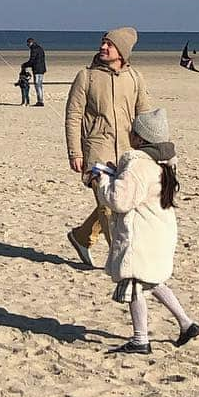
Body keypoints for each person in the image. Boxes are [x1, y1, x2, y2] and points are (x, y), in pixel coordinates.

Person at [90, 108, 199, 354]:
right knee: (154, 280)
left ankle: (140, 340)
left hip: (142, 234)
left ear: (141, 139)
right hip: (160, 230)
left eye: (134, 132)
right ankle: (187, 323)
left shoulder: (139, 164)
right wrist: (115, 174)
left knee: (136, 283)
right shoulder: (162, 162)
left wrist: (102, 180)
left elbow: (119, 200)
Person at [65, 27, 152, 268]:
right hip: (96, 150)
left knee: (121, 202)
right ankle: (121, 258)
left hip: (126, 151)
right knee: (107, 206)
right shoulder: (86, 76)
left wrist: (147, 151)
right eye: (103, 43)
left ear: (122, 51)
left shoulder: (135, 77)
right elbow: (73, 115)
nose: (103, 47)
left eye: (109, 44)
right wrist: (75, 152)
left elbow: (144, 116)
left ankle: (82, 237)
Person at [22, 37, 47, 106]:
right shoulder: (40, 48)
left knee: (38, 85)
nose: (28, 45)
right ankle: (40, 100)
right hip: (41, 69)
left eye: (28, 44)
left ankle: (40, 101)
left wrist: (25, 64)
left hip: (37, 69)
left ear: (30, 43)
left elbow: (32, 60)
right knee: (39, 85)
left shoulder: (34, 49)